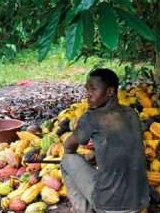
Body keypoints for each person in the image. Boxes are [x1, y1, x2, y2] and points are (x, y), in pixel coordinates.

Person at [62, 68, 149, 213]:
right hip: (140, 201)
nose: (88, 95)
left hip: (110, 205)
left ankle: (85, 210)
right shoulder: (131, 113)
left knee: (67, 160)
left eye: (93, 89)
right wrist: (97, 156)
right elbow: (123, 146)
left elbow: (68, 147)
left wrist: (80, 154)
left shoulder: (91, 117)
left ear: (110, 92)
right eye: (87, 90)